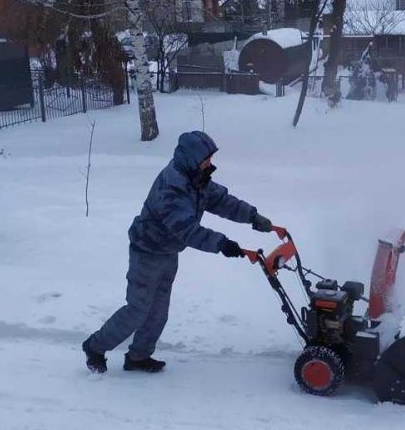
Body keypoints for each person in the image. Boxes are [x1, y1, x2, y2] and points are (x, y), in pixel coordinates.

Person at [81, 130, 271, 374]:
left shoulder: (196, 179)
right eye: (206, 159)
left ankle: (138, 357)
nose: (210, 164)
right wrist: (221, 243)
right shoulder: (172, 187)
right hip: (147, 251)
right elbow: (187, 229)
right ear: (192, 158)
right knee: (138, 310)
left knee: (159, 311)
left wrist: (252, 217)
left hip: (168, 252)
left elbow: (222, 201)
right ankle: (95, 347)